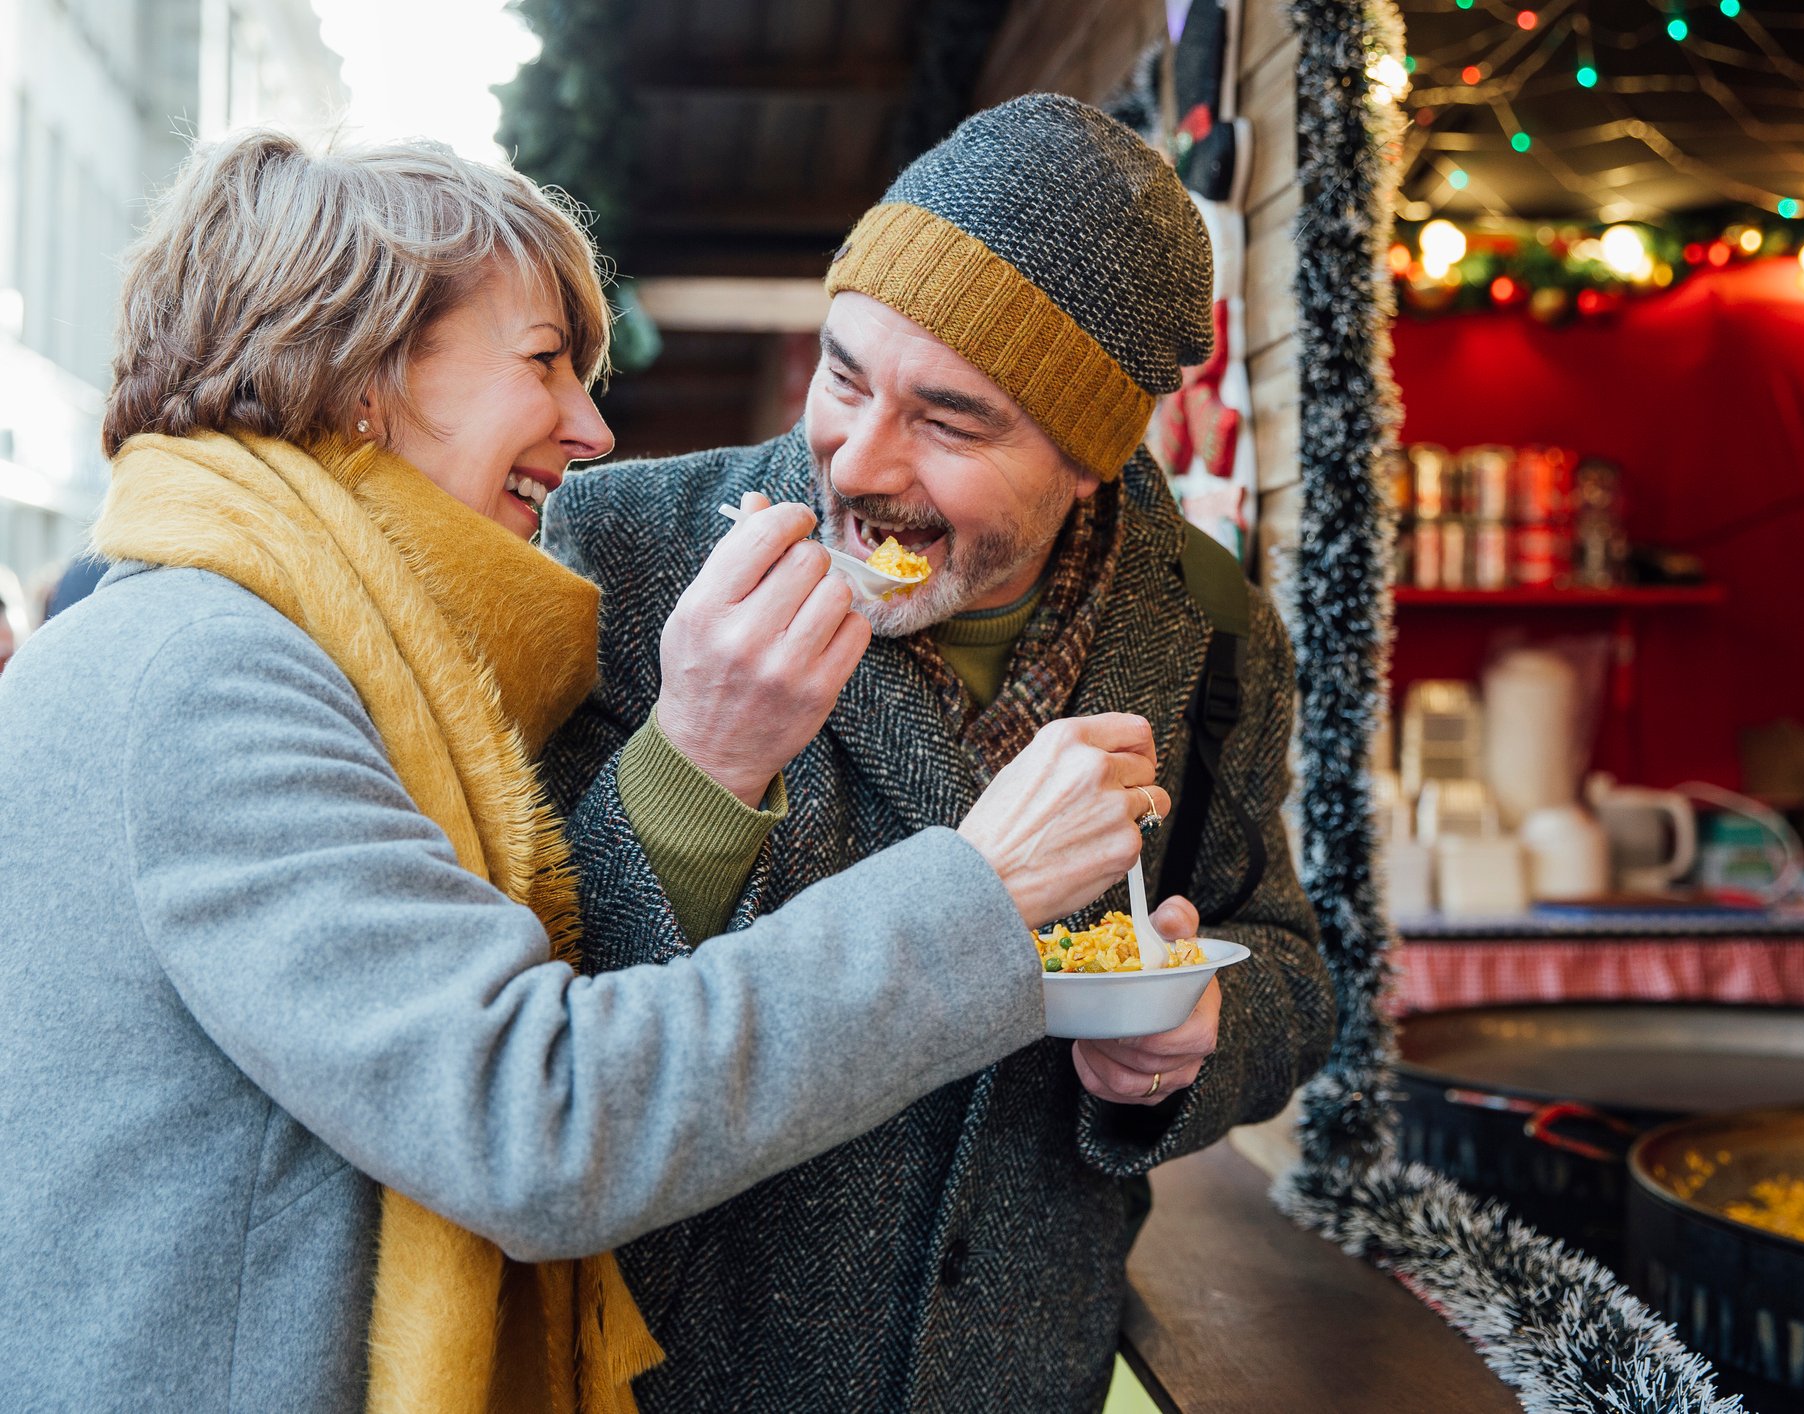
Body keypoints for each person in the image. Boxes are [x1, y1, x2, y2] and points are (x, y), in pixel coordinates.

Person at [0, 131, 1175, 1414]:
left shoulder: (294, 642)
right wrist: (979, 896)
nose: (592, 427)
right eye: (546, 360)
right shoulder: (212, 670)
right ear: (359, 376)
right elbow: (533, 1117)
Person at [540, 93, 1335, 1412]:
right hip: (672, 1377)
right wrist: (699, 760)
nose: (856, 459)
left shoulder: (1207, 622)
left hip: (1025, 1374)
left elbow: (1294, 959)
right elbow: (521, 1038)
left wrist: (1201, 1033)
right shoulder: (622, 555)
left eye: (950, 419)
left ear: (1086, 459)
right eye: (843, 372)